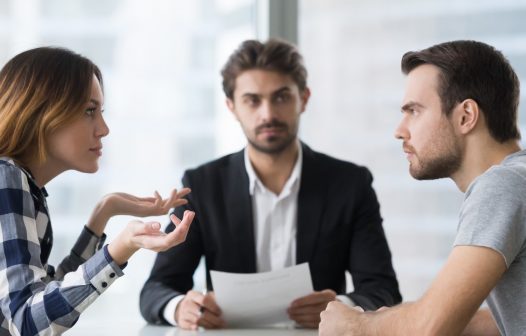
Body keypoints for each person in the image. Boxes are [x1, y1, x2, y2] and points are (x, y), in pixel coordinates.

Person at [140, 39, 401, 330]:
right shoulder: (201, 186)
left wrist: (342, 308)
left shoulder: (350, 184)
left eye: (281, 97)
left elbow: (382, 288)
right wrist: (180, 309)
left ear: (304, 98)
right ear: (232, 107)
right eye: (252, 100)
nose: (268, 114)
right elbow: (156, 289)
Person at [319, 40, 525, 335]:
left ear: (466, 116)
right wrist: (393, 320)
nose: (399, 130)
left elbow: (429, 329)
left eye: (413, 111)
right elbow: (504, 320)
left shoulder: (501, 186)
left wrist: (357, 326)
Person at [0, 47, 195, 336]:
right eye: (89, 111)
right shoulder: (7, 178)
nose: (103, 129)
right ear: (41, 112)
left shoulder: (24, 185)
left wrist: (105, 212)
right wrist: (121, 247)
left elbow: (42, 296)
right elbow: (27, 321)